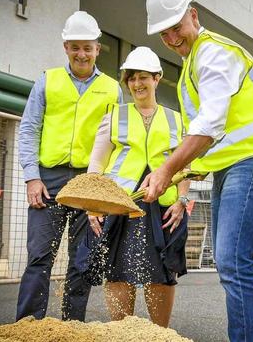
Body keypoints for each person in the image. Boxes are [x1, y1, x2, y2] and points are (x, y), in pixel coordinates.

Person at [142, 0, 253, 341]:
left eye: (177, 27)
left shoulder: (213, 54)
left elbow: (209, 128)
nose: (173, 38)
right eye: (164, 33)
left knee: (230, 262)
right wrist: (183, 172)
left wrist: (166, 170)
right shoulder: (193, 61)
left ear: (194, 15)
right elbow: (214, 139)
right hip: (236, 164)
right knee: (233, 264)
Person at [16, 10, 123, 321]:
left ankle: (72, 326)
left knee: (83, 260)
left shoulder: (112, 88)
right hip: (47, 179)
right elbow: (29, 128)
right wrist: (31, 177)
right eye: (75, 46)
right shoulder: (47, 81)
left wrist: (103, 186)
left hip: (87, 181)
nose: (81, 53)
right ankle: (28, 326)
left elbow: (114, 140)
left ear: (97, 49)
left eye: (87, 47)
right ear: (66, 47)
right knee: (39, 256)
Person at [86, 46, 190, 328]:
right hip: (121, 203)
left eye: (143, 77)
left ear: (157, 78)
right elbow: (96, 163)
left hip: (164, 206)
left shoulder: (176, 119)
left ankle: (159, 334)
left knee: (163, 270)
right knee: (118, 269)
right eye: (131, 78)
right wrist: (93, 205)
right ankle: (123, 333)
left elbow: (184, 166)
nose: (136, 83)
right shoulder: (115, 115)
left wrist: (182, 200)